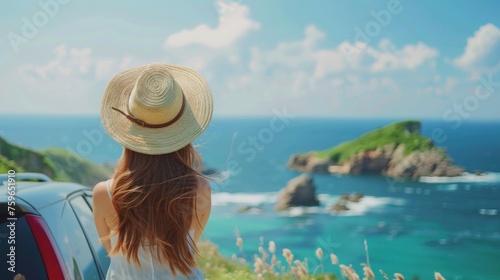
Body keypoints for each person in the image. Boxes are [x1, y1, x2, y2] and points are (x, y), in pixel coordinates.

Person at [93, 63, 213, 279]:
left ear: (128, 135)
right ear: (183, 135)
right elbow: (189, 247)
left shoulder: (104, 193)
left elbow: (110, 251)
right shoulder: (201, 190)